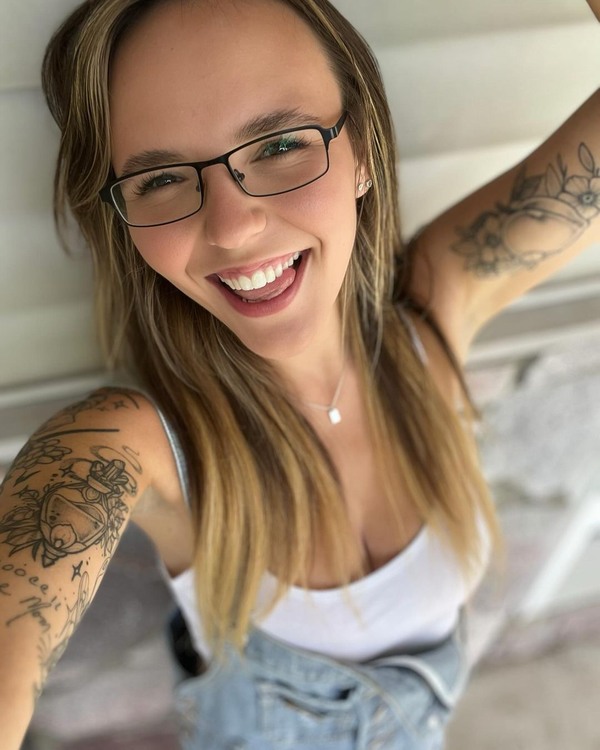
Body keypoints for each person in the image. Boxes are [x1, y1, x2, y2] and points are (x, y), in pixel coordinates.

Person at [1, 0, 599, 747]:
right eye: (160, 180)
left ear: (364, 153)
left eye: (281, 143)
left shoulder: (433, 312)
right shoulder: (130, 444)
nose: (233, 227)